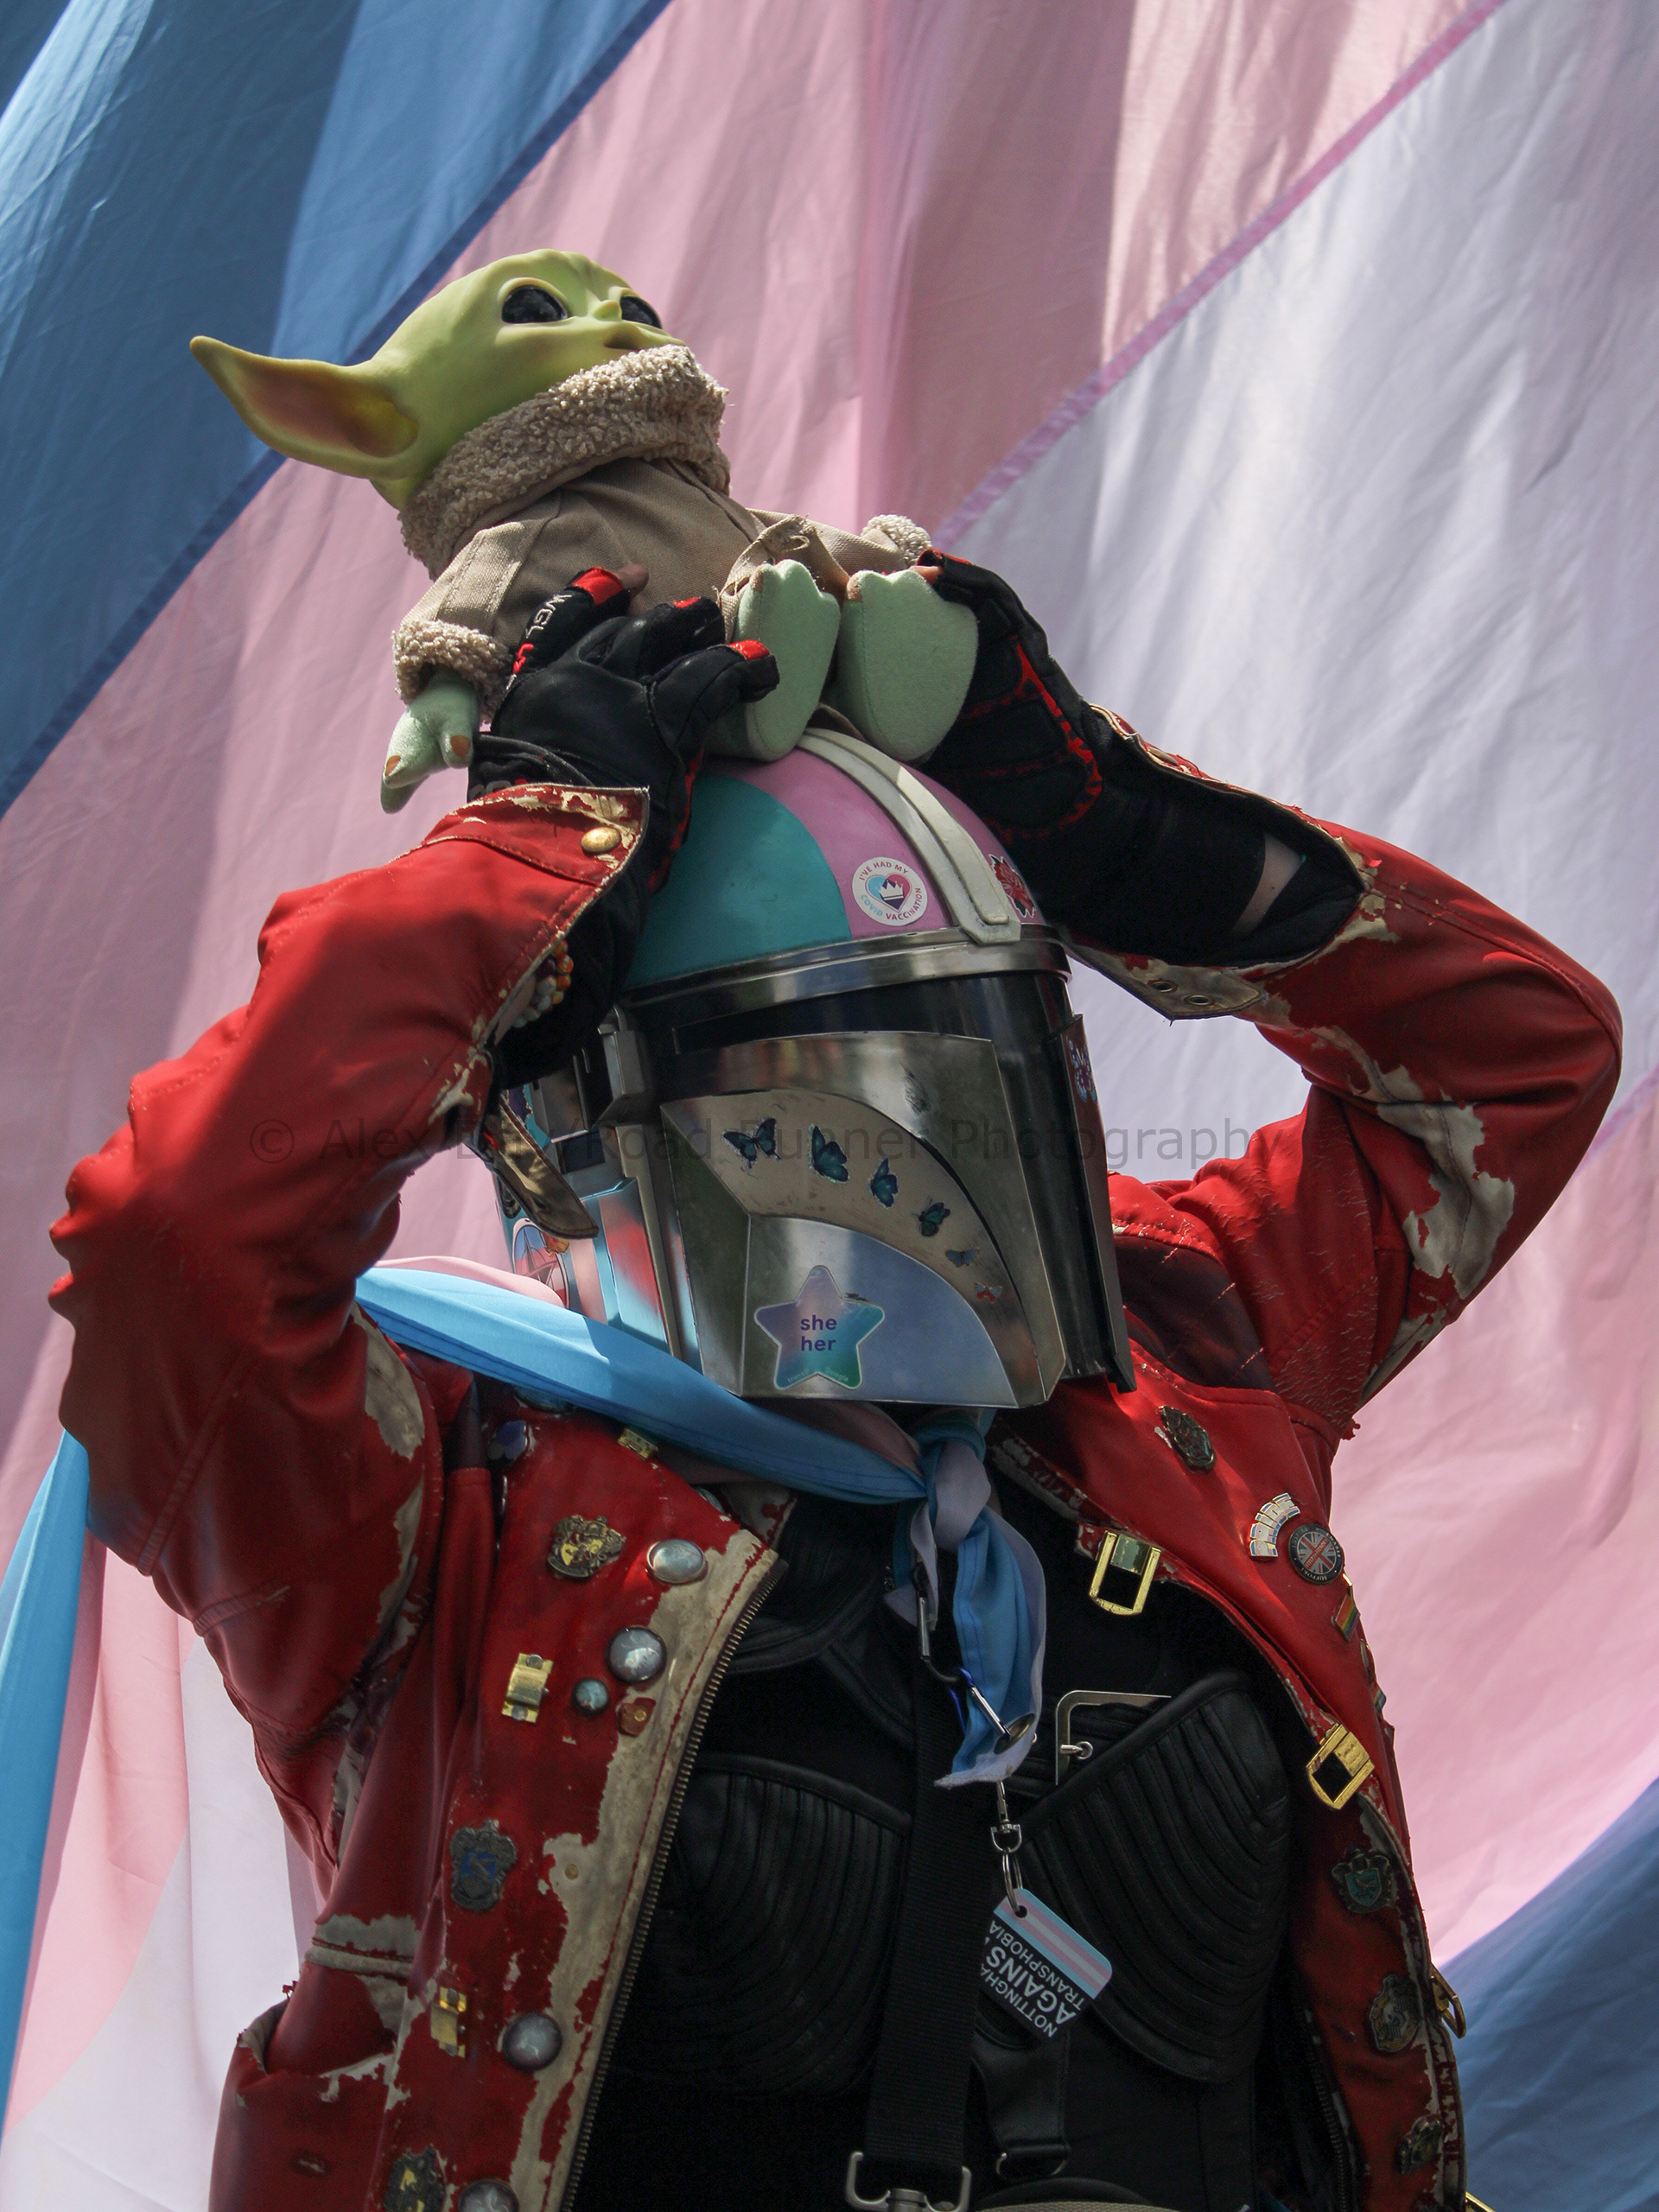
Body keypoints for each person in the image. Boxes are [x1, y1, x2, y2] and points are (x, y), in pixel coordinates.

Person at [49, 559, 1618, 2212]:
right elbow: (181, 1239)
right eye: (829, 1080)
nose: (924, 1161)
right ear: (582, 1122)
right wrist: (535, 861)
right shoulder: (428, 1509)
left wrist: (1118, 832)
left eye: (972, 1061)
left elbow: (1518, 1061)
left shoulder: (1178, 1353)